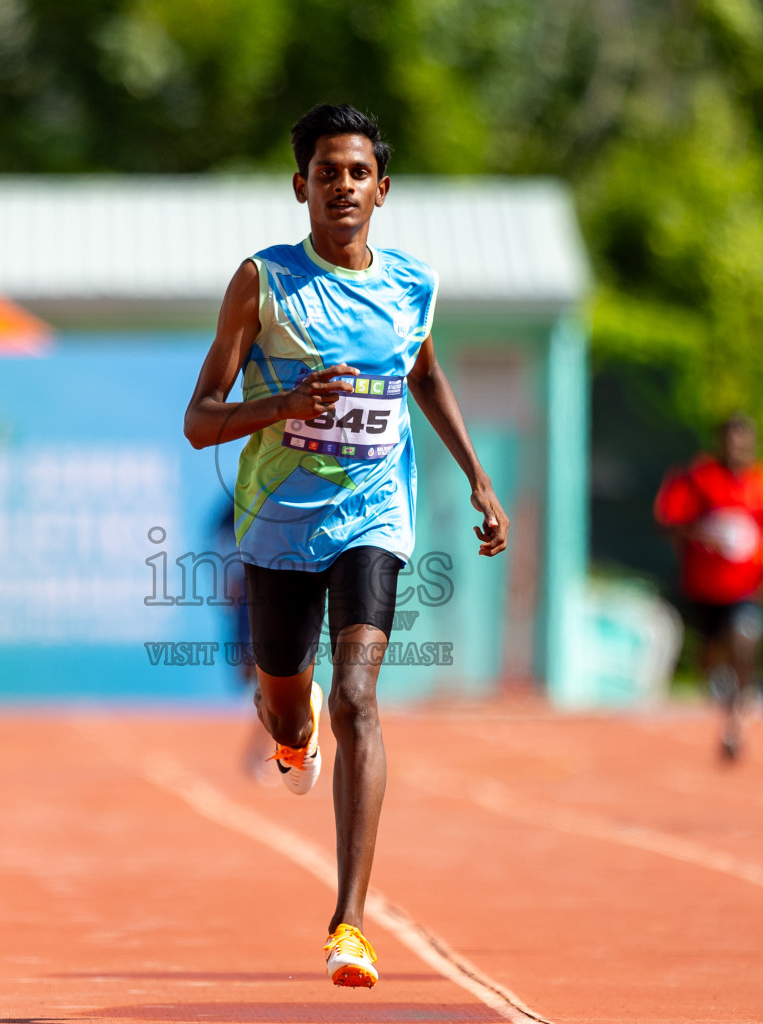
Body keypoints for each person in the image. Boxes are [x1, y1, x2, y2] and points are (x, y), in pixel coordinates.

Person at [182, 103, 509, 988]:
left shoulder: (411, 287)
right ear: (302, 187)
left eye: (358, 172)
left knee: (360, 693)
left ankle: (349, 924)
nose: (343, 186)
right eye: (327, 171)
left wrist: (477, 477)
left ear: (383, 188)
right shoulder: (264, 282)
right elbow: (199, 418)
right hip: (279, 526)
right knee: (290, 700)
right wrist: (283, 407)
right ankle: (294, 730)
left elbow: (425, 374)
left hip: (374, 518)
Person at [654, 414, 763, 762]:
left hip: (747, 588)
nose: (737, 448)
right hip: (704, 587)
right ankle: (727, 695)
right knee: (710, 660)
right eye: (730, 440)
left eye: (744, 441)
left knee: (744, 640)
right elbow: (666, 522)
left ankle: (736, 722)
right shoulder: (696, 478)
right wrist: (704, 532)